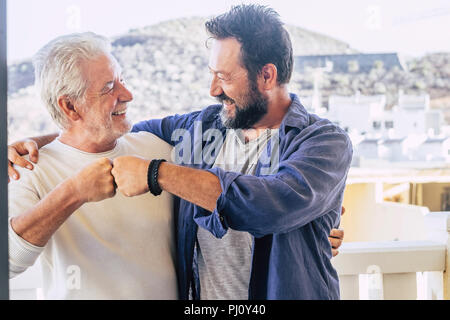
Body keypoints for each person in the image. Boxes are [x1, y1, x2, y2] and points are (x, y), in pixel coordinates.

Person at [8, 5, 348, 300]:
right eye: (211, 74)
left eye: (223, 76)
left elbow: (268, 205)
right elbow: (102, 130)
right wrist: (38, 140)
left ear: (267, 76)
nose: (212, 89)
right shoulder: (199, 128)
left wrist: (156, 174)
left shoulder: (324, 142)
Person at [7, 33, 178, 299]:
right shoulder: (30, 170)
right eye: (109, 87)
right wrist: (75, 192)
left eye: (122, 80)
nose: (128, 95)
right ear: (70, 106)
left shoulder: (158, 149)